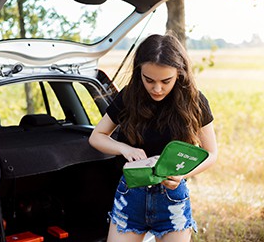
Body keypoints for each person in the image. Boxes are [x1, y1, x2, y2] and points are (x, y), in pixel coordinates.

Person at [89, 33, 218, 242]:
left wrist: (183, 175)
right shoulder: (129, 96)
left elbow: (211, 154)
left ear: (180, 73)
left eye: (166, 81)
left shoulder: (195, 101)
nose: (157, 89)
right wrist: (125, 149)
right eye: (149, 80)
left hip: (172, 198)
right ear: (139, 71)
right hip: (131, 195)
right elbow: (97, 136)